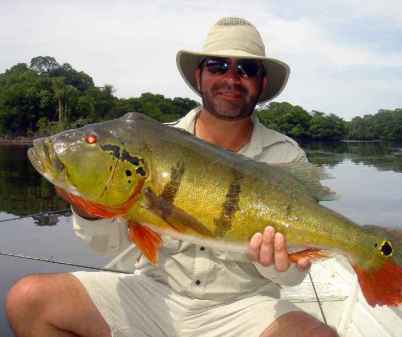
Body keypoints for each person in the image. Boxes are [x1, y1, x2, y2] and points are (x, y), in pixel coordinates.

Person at [6, 17, 338, 337]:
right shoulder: (148, 144)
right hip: (153, 295)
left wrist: (274, 262)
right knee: (29, 301)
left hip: (245, 307)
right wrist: (87, 207)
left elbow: (292, 279)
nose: (232, 78)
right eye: (218, 66)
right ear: (200, 75)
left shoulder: (286, 156)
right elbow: (107, 246)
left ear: (262, 82)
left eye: (247, 69)